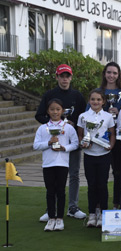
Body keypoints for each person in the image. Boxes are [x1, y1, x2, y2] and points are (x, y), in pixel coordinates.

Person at [35, 64, 87, 221]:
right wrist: (54, 125)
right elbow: (39, 115)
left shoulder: (77, 96)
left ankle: (73, 207)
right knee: (54, 177)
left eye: (67, 76)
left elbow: (83, 118)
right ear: (57, 77)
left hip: (71, 140)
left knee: (74, 174)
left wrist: (71, 125)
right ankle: (51, 209)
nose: (65, 79)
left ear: (71, 77)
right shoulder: (49, 95)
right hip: (54, 142)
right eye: (62, 76)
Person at [33, 99, 79, 231]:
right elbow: (35, 145)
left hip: (62, 164)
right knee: (50, 191)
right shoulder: (43, 128)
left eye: (58, 109)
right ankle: (51, 218)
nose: (55, 112)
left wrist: (64, 148)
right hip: (48, 164)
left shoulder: (68, 127)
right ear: (48, 111)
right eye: (52, 109)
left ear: (62, 111)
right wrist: (48, 143)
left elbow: (75, 144)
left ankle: (59, 219)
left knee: (60, 191)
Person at [77, 89, 116, 228]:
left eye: (99, 100)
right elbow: (80, 134)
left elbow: (112, 134)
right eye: (93, 99)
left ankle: (103, 214)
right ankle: (92, 213)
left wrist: (111, 146)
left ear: (103, 101)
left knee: (102, 185)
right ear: (89, 101)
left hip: (104, 155)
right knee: (92, 185)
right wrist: (83, 144)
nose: (96, 102)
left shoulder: (108, 116)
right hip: (89, 156)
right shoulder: (83, 116)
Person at [97, 62, 121, 210]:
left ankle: (118, 203)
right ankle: (98, 206)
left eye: (115, 73)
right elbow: (88, 114)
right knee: (101, 174)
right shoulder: (97, 92)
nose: (111, 75)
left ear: (118, 75)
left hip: (120, 138)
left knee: (119, 172)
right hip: (101, 138)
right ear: (104, 73)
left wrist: (120, 111)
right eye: (109, 72)